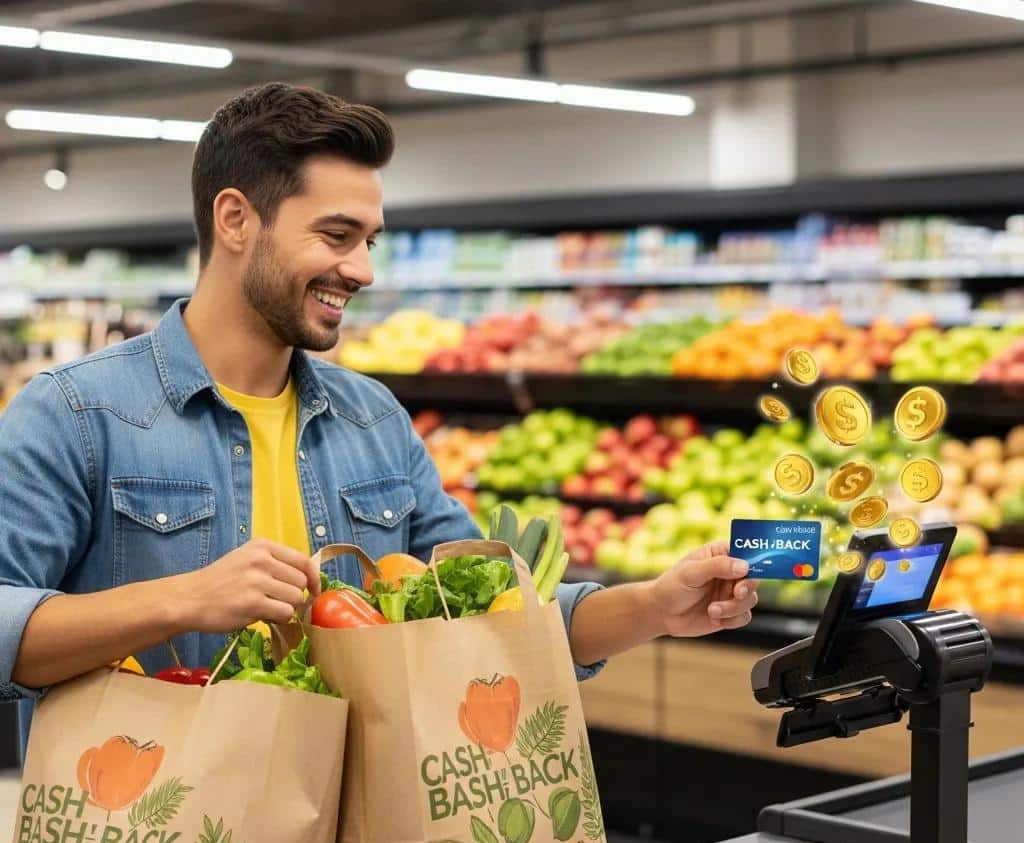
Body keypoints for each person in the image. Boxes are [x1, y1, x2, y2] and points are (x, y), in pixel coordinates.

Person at [0, 83, 758, 747]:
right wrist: (179, 600)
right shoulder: (74, 414)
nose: (361, 270)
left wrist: (655, 606)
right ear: (235, 219)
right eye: (336, 236)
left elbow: (485, 603)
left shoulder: (372, 422)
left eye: (369, 241)